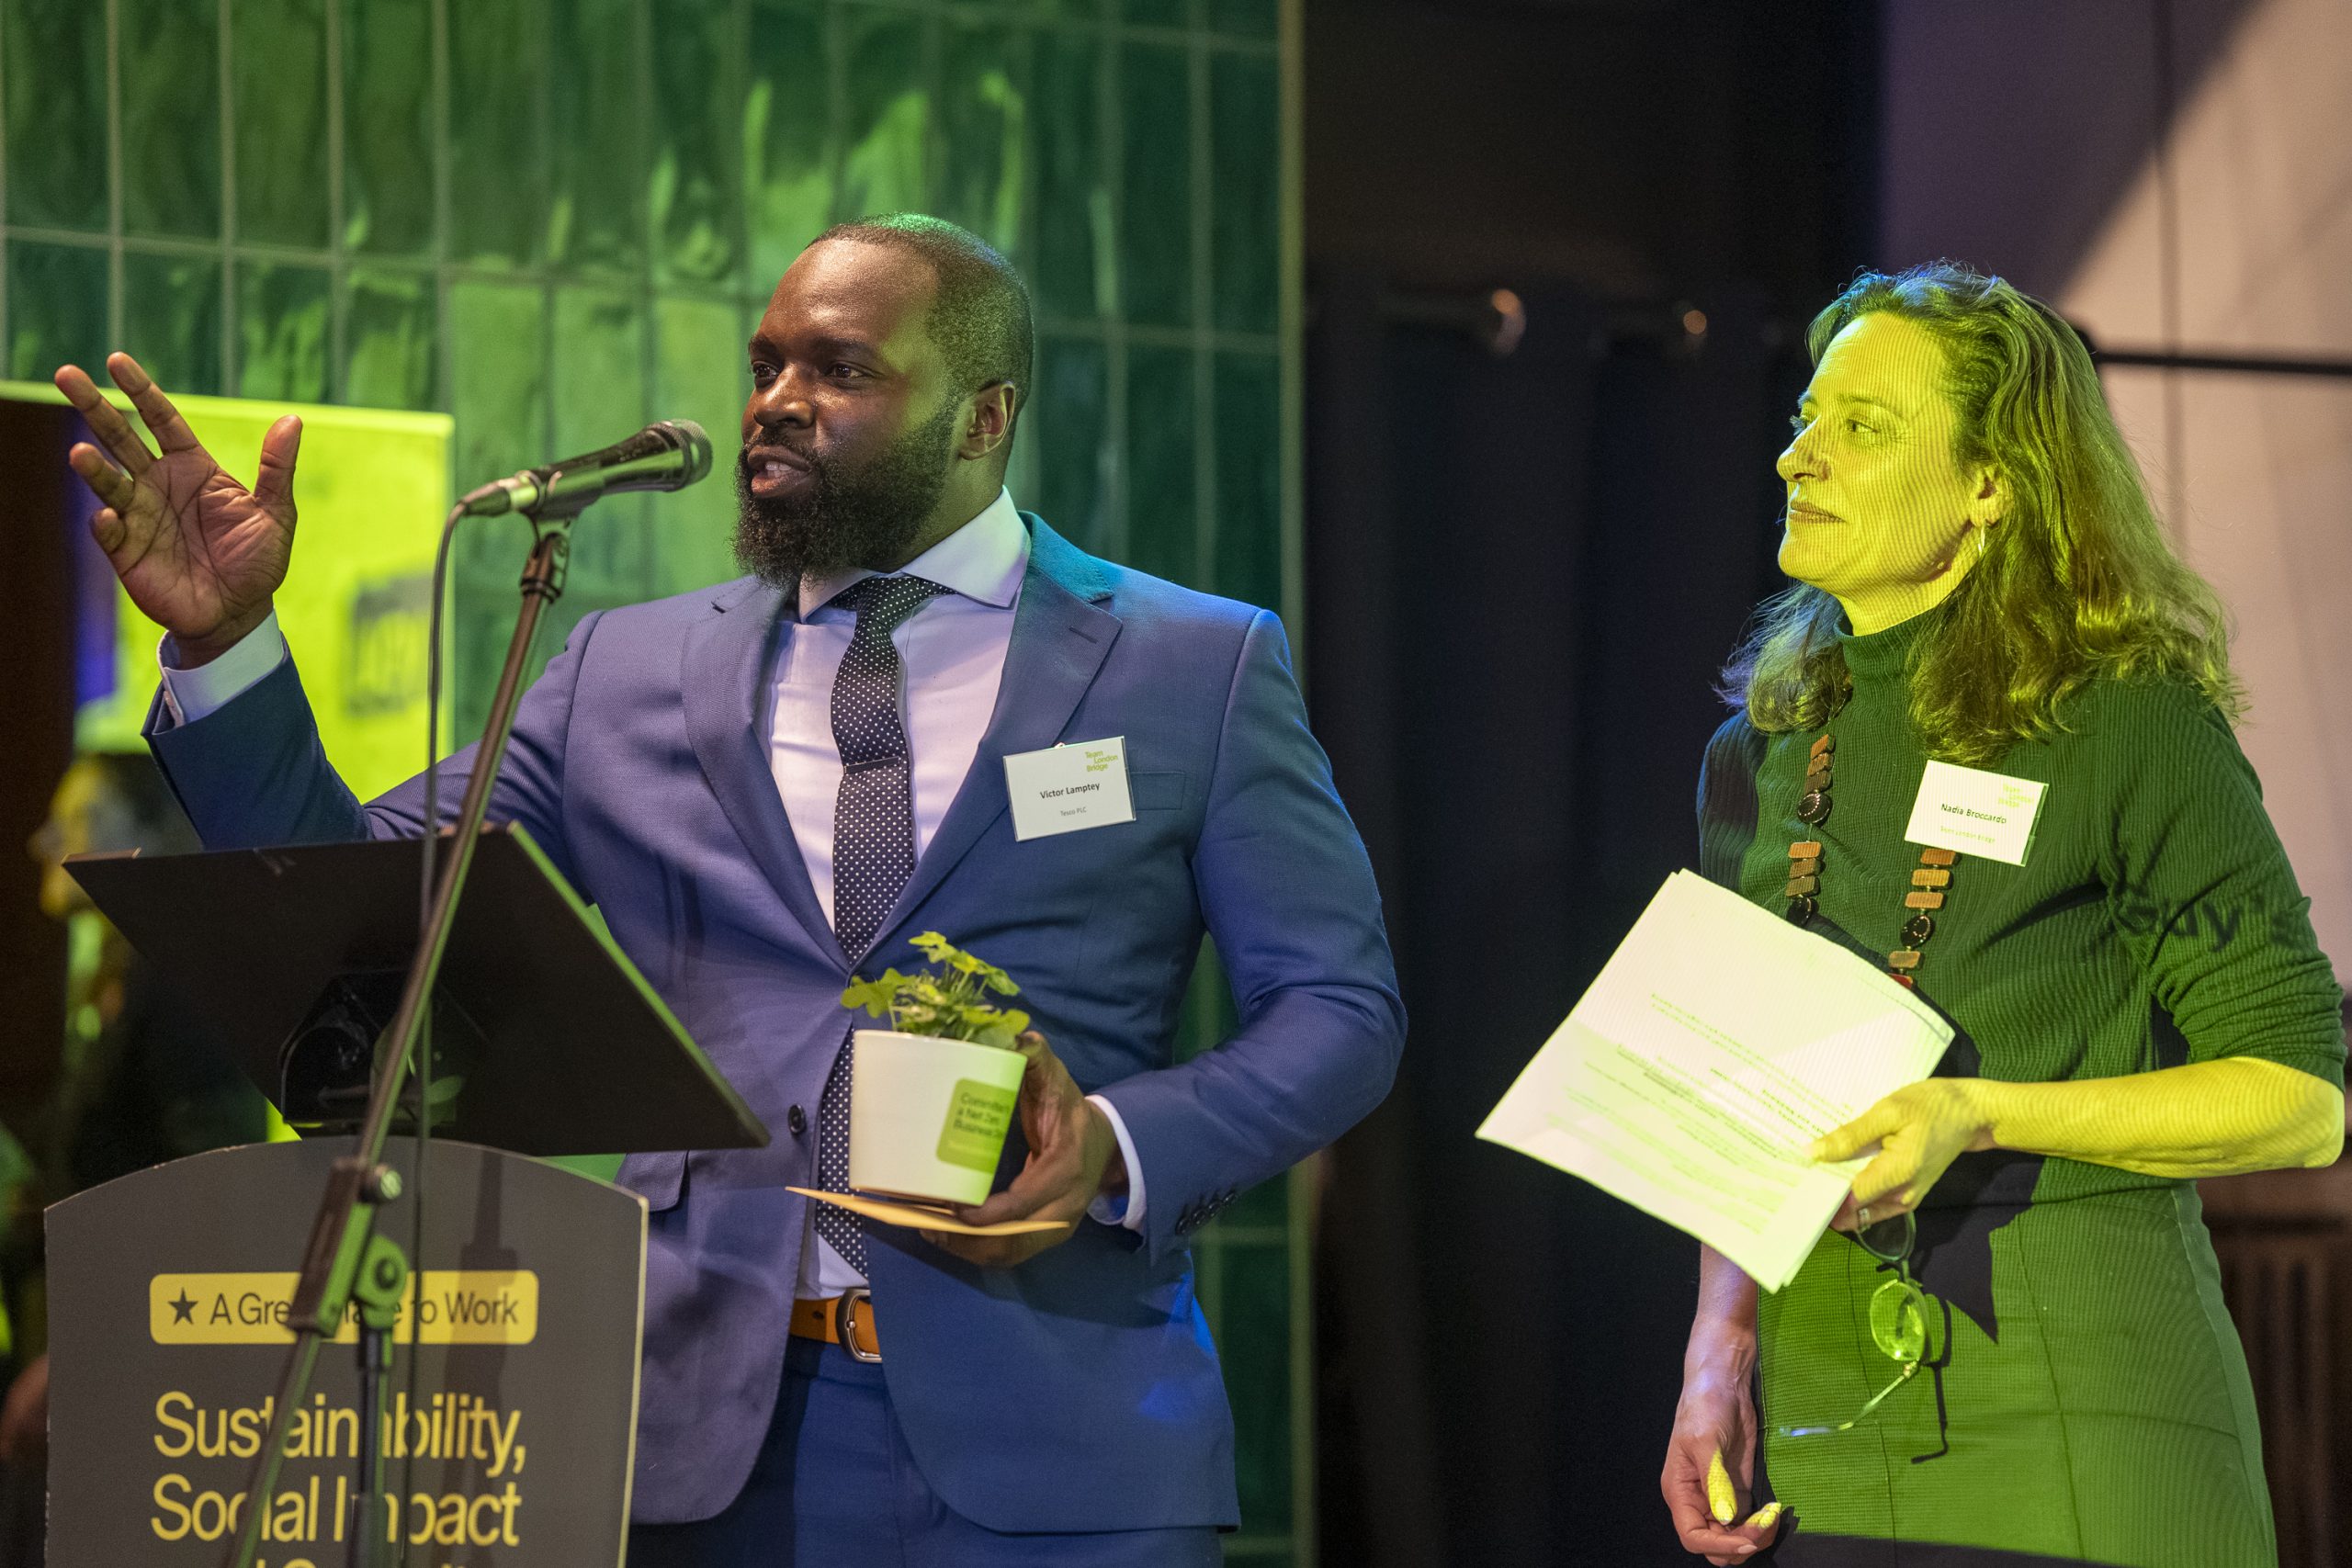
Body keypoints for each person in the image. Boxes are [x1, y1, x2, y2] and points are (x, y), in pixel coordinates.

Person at [54, 213, 1405, 1565]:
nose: (777, 403)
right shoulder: (624, 671)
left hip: (1065, 1444)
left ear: (985, 416)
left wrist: (1117, 1139)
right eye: (766, 364)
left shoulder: (1192, 665)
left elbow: (1338, 1008)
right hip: (706, 1445)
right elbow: (359, 903)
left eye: (841, 369)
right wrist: (226, 641)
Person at [1658, 263, 2345, 1567]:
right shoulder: (1759, 747)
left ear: (1993, 483)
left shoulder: (2128, 720)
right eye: (1809, 415)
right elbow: (1747, 1088)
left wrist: (1981, 1109)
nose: (1803, 453)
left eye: (1863, 426)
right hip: (1814, 1431)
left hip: (2087, 1412)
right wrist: (1719, 1337)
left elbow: (2304, 1098)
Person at [0, 752, 272, 1563]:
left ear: (148, 839)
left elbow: (211, 1185)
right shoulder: (115, 982)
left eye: (78, 819)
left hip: (136, 1384)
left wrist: (77, 1357)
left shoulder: (181, 980)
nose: (44, 840)